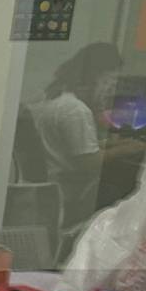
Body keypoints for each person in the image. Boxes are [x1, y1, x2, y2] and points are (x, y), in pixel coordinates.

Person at [30, 42, 123, 226]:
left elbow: (67, 147)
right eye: (110, 81)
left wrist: (118, 145)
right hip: (68, 195)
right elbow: (89, 163)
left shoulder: (50, 97)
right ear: (94, 77)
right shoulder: (75, 110)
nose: (111, 90)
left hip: (43, 192)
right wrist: (132, 149)